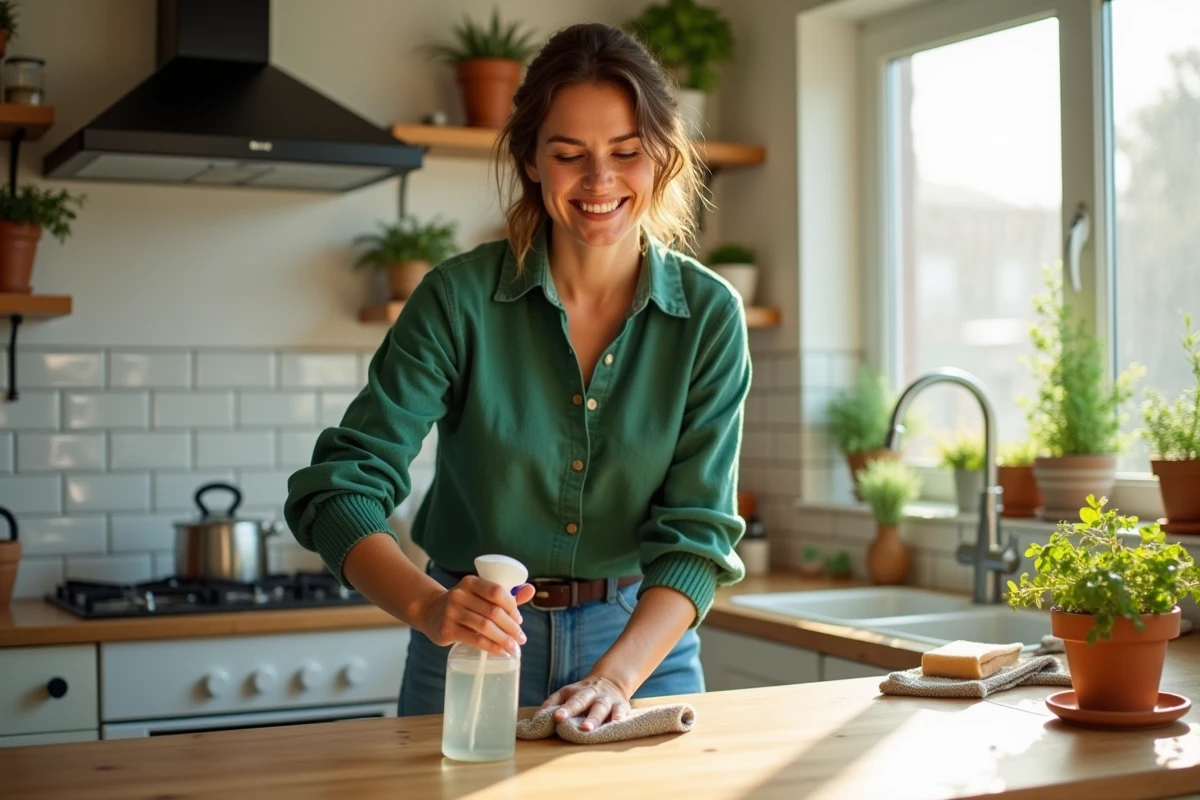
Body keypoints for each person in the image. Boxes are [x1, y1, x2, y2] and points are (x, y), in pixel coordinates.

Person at [285, 22, 750, 732]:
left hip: (642, 650)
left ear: (662, 157)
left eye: (626, 153)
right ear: (532, 159)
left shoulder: (709, 317)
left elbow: (696, 541)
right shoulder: (456, 300)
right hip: (471, 640)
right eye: (570, 154)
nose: (600, 182)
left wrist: (615, 678)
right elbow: (342, 487)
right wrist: (429, 607)